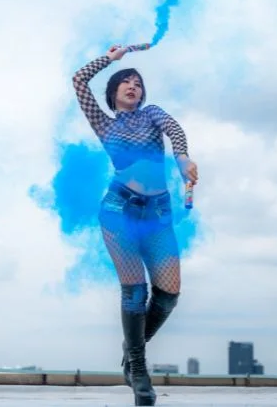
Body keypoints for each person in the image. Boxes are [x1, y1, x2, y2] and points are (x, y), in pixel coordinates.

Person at [71, 44, 198, 406]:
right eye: (125, 82)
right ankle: (138, 371)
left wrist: (183, 157)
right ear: (113, 94)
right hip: (119, 211)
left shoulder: (152, 114)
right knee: (135, 292)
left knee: (169, 295)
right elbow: (79, 80)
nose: (132, 85)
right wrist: (111, 60)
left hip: (157, 214)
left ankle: (131, 353)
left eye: (138, 82)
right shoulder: (104, 123)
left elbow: (174, 130)